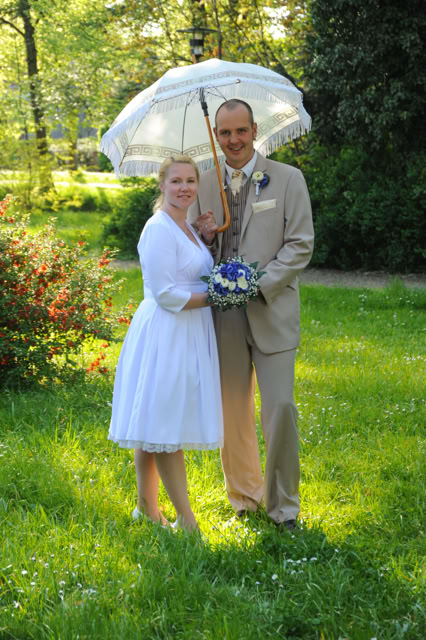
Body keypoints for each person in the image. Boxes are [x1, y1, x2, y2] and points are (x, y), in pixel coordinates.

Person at [188, 99, 314, 530]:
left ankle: (285, 508)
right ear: (216, 135)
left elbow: (300, 244)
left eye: (241, 131)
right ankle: (244, 498)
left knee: (280, 408)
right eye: (225, 133)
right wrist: (204, 239)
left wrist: (257, 284)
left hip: (272, 309)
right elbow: (192, 250)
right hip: (222, 317)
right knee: (233, 411)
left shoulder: (288, 178)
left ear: (255, 130)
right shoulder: (203, 183)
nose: (233, 140)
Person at [109, 155, 223, 532]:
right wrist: (218, 298)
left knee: (154, 421)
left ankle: (146, 510)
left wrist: (206, 240)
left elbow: (191, 269)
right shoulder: (158, 228)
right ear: (162, 185)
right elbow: (166, 294)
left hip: (188, 330)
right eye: (176, 181)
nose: (184, 187)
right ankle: (187, 521)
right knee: (166, 424)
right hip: (166, 330)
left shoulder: (187, 226)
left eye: (190, 180)